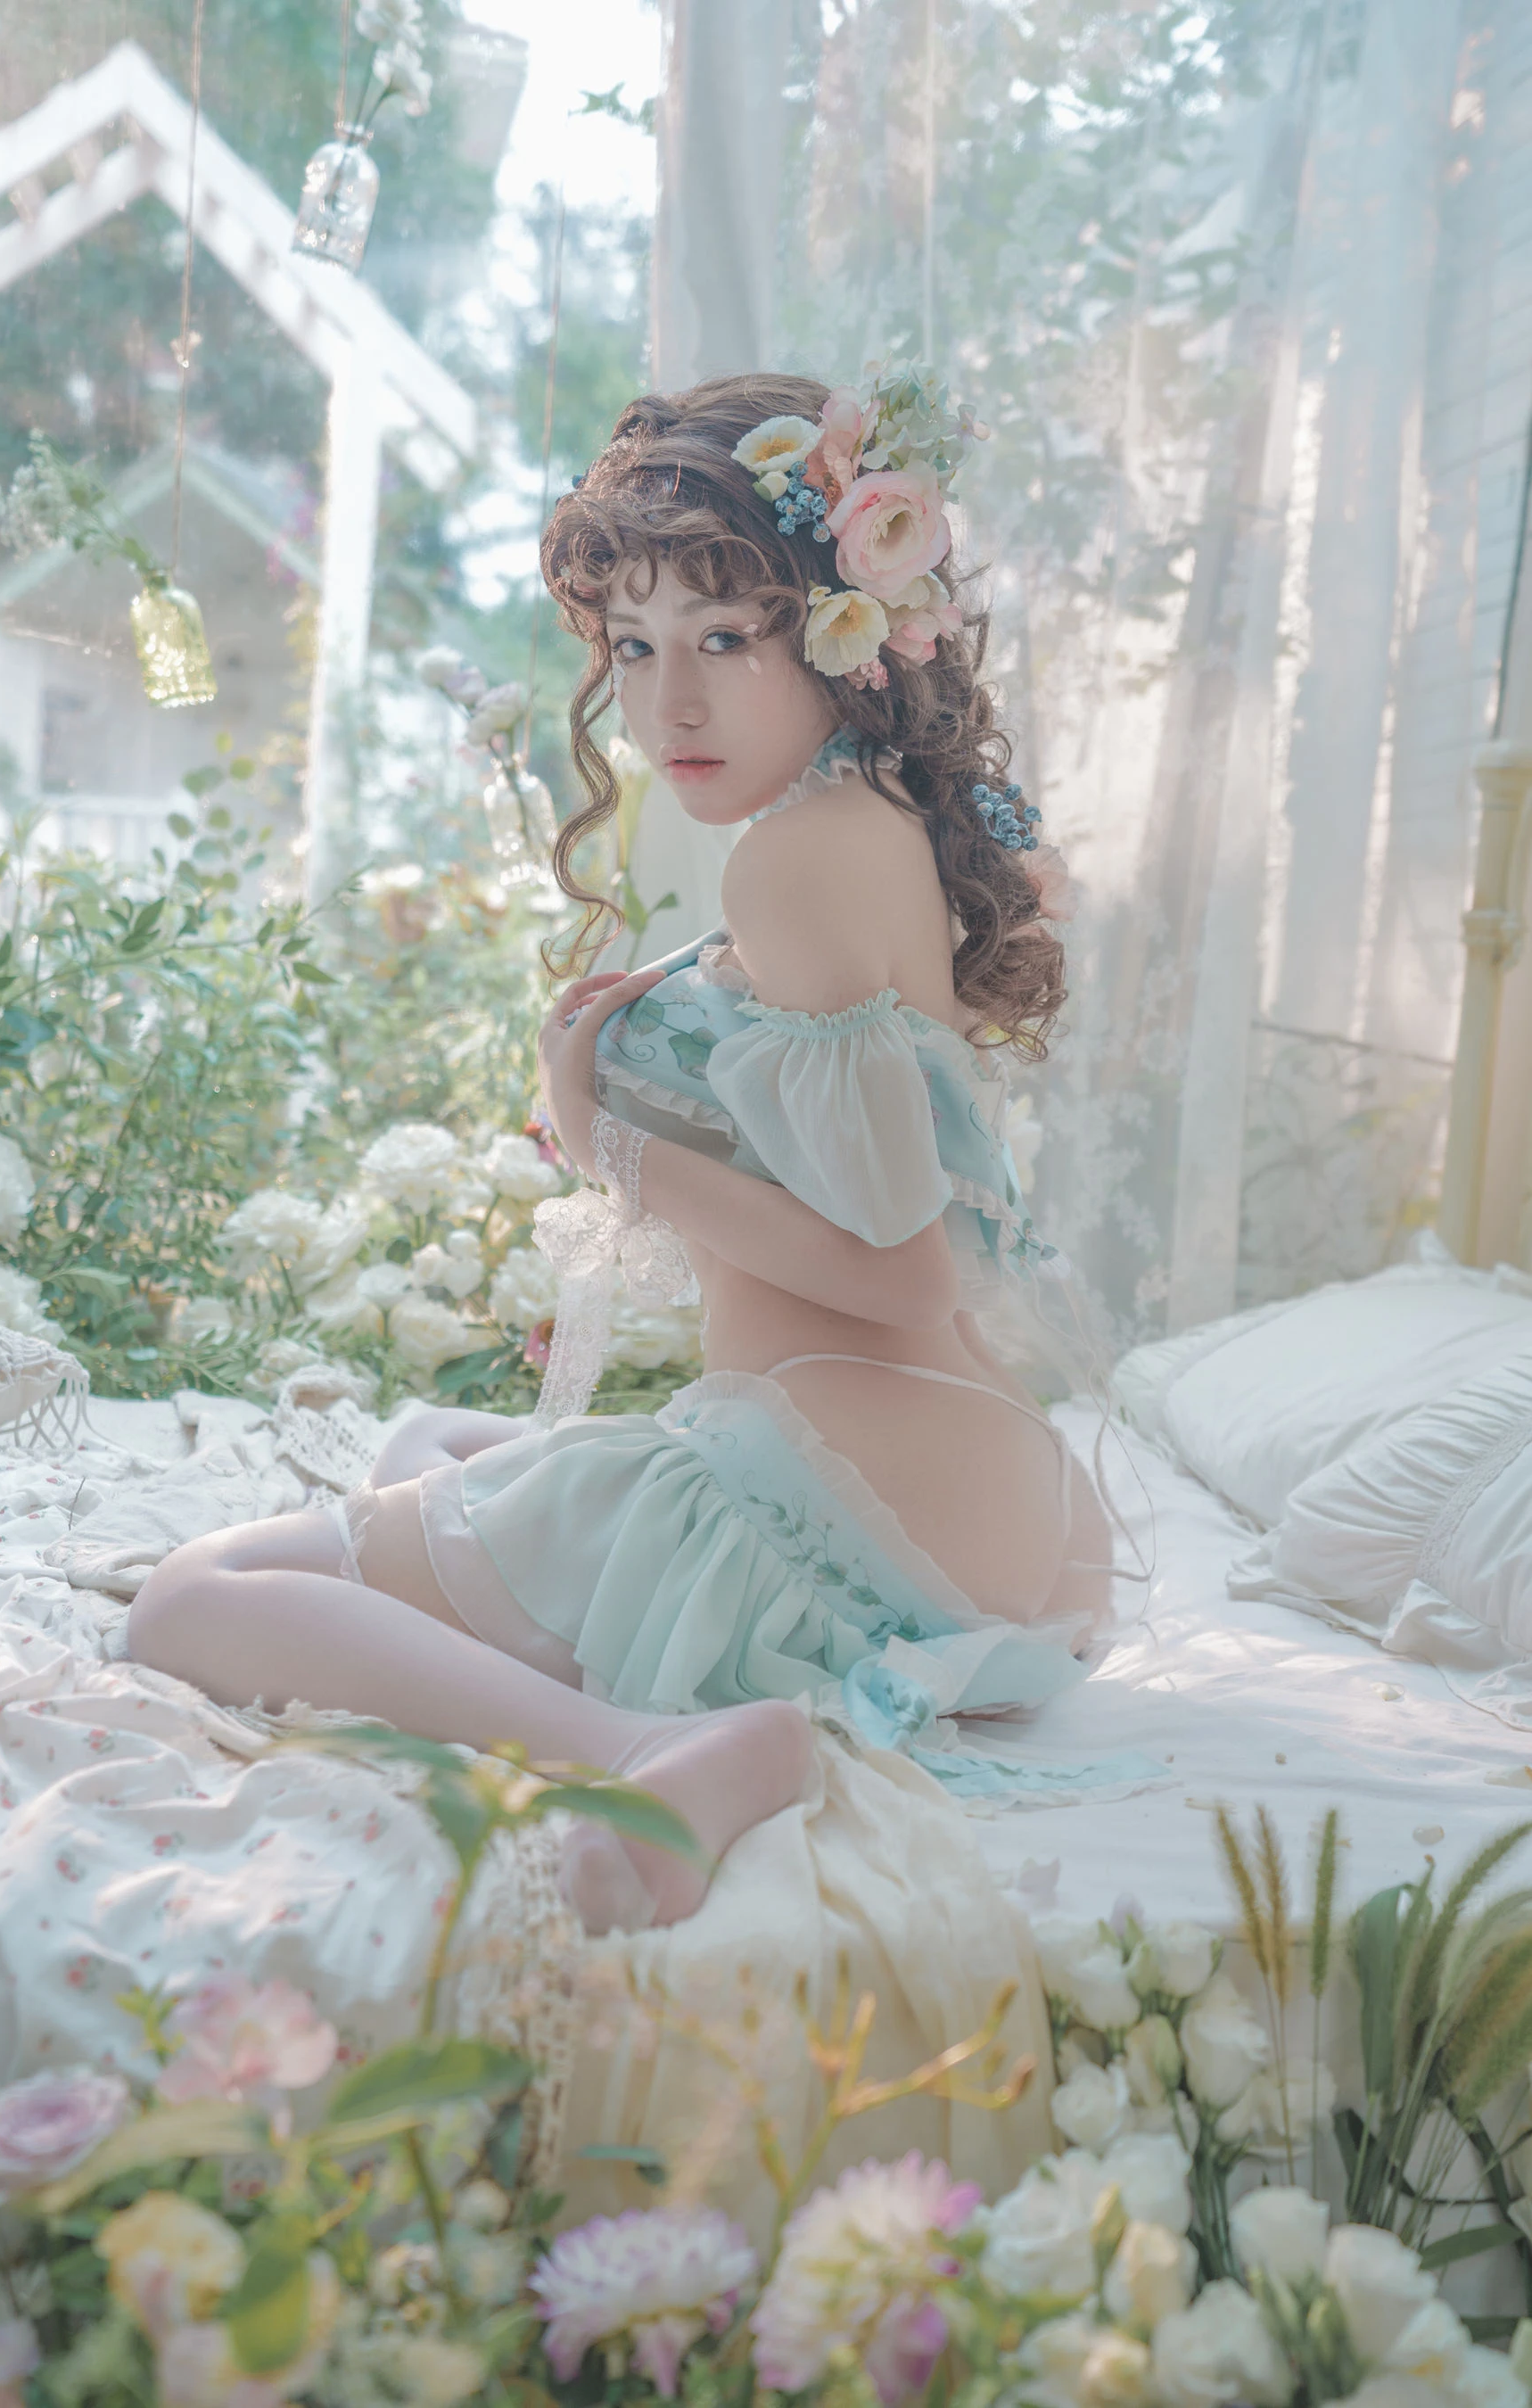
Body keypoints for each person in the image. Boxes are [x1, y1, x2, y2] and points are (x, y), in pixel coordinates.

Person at [128, 367, 1112, 1937]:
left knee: (191, 1602)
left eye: (727, 638)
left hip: (842, 1513)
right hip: (998, 1521)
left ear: (843, 635)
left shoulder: (796, 860)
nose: (669, 708)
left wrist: (610, 1146)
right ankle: (597, 1640)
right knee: (427, 1445)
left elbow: (907, 1274)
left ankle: (647, 1756)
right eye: (637, 647)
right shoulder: (865, 820)